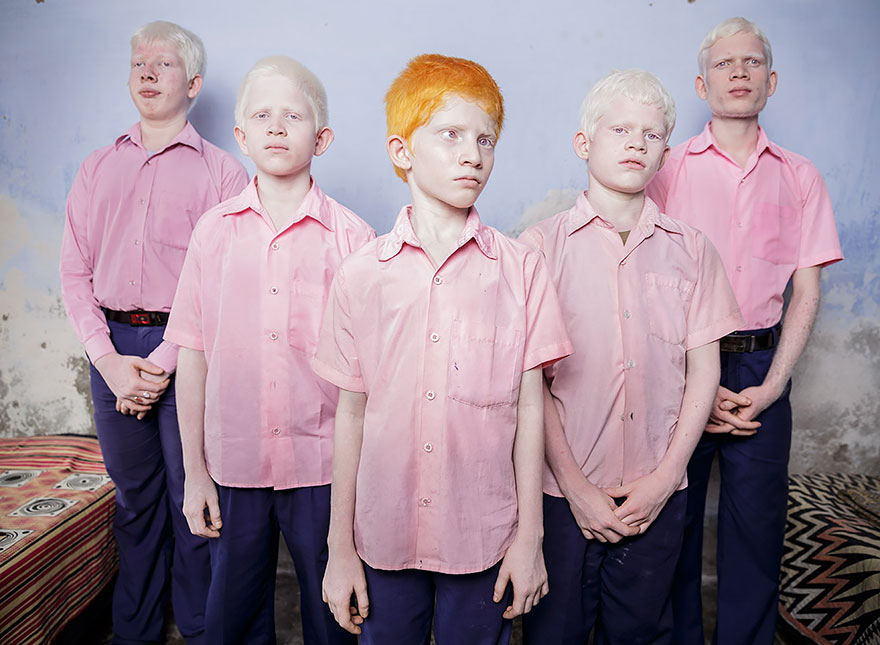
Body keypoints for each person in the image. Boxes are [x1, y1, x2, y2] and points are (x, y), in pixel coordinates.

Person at [314, 54, 573, 644]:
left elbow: (531, 409)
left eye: (486, 139)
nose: (472, 154)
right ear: (402, 152)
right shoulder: (361, 274)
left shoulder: (522, 270)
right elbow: (350, 413)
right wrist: (340, 549)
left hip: (483, 533)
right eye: (450, 134)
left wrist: (530, 539)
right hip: (383, 532)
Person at [519, 69, 742, 644]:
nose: (636, 143)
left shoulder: (692, 251)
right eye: (620, 128)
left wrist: (667, 478)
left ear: (666, 152)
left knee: (642, 630)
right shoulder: (538, 250)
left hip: (657, 491)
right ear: (584, 143)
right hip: (564, 492)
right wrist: (575, 487)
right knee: (555, 631)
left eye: (651, 134)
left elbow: (704, 373)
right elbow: (531, 385)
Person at [164, 56, 375, 643]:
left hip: (325, 468)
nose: (277, 127)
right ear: (241, 136)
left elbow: (368, 378)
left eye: (293, 116)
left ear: (322, 137)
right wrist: (195, 475)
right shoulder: (214, 232)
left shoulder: (356, 240)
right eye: (262, 115)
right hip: (234, 464)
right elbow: (193, 354)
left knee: (336, 616)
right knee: (229, 619)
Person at [646, 17, 844, 644]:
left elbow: (805, 292)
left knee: (756, 532)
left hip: (764, 370)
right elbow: (643, 281)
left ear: (772, 81)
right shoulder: (668, 168)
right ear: (703, 84)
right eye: (725, 64)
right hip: (681, 366)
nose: (739, 72)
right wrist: (691, 385)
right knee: (670, 529)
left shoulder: (801, 176)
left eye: (752, 62)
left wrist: (771, 388)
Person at [59, 20, 247, 644]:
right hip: (110, 349)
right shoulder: (95, 168)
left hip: (190, 349)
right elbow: (74, 271)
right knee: (134, 505)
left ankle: (197, 628)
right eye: (138, 62)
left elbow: (226, 281)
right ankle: (134, 632)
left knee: (193, 502)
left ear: (191, 84)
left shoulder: (223, 175)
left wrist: (166, 360)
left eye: (162, 64)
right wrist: (109, 362)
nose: (146, 72)